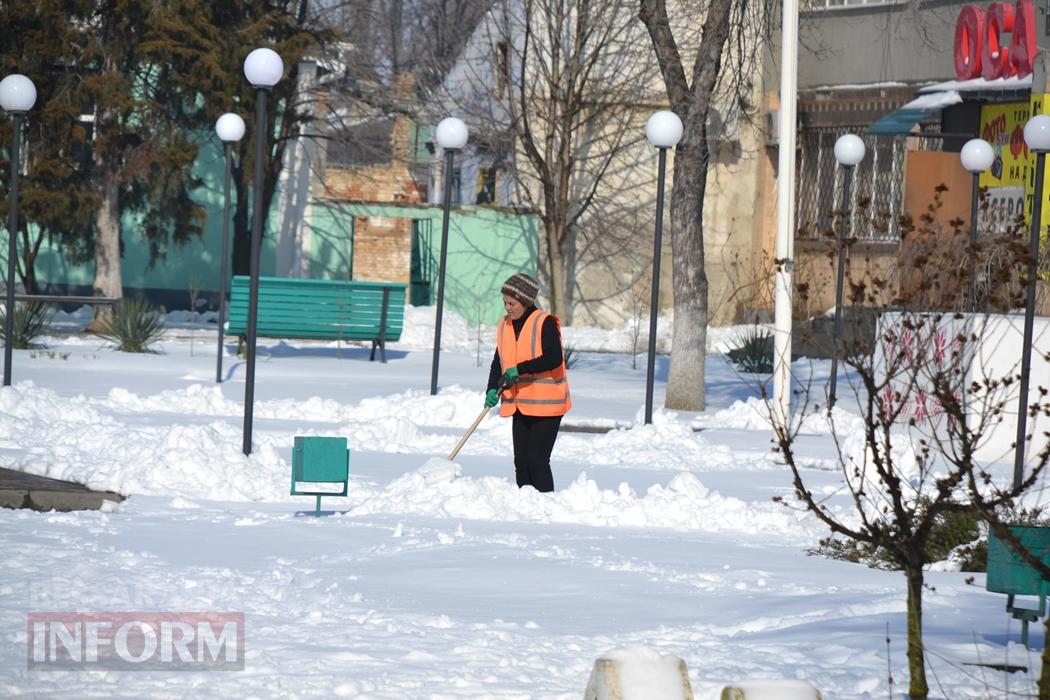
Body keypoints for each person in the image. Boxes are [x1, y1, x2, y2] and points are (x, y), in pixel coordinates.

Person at [484, 272, 571, 492]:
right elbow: (499, 360)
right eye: (505, 303)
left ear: (526, 300)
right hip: (521, 403)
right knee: (521, 462)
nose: (508, 308)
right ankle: (525, 508)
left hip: (547, 405)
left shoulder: (545, 323)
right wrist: (492, 388)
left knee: (537, 461)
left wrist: (520, 370)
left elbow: (553, 358)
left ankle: (545, 507)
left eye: (512, 303)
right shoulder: (505, 325)